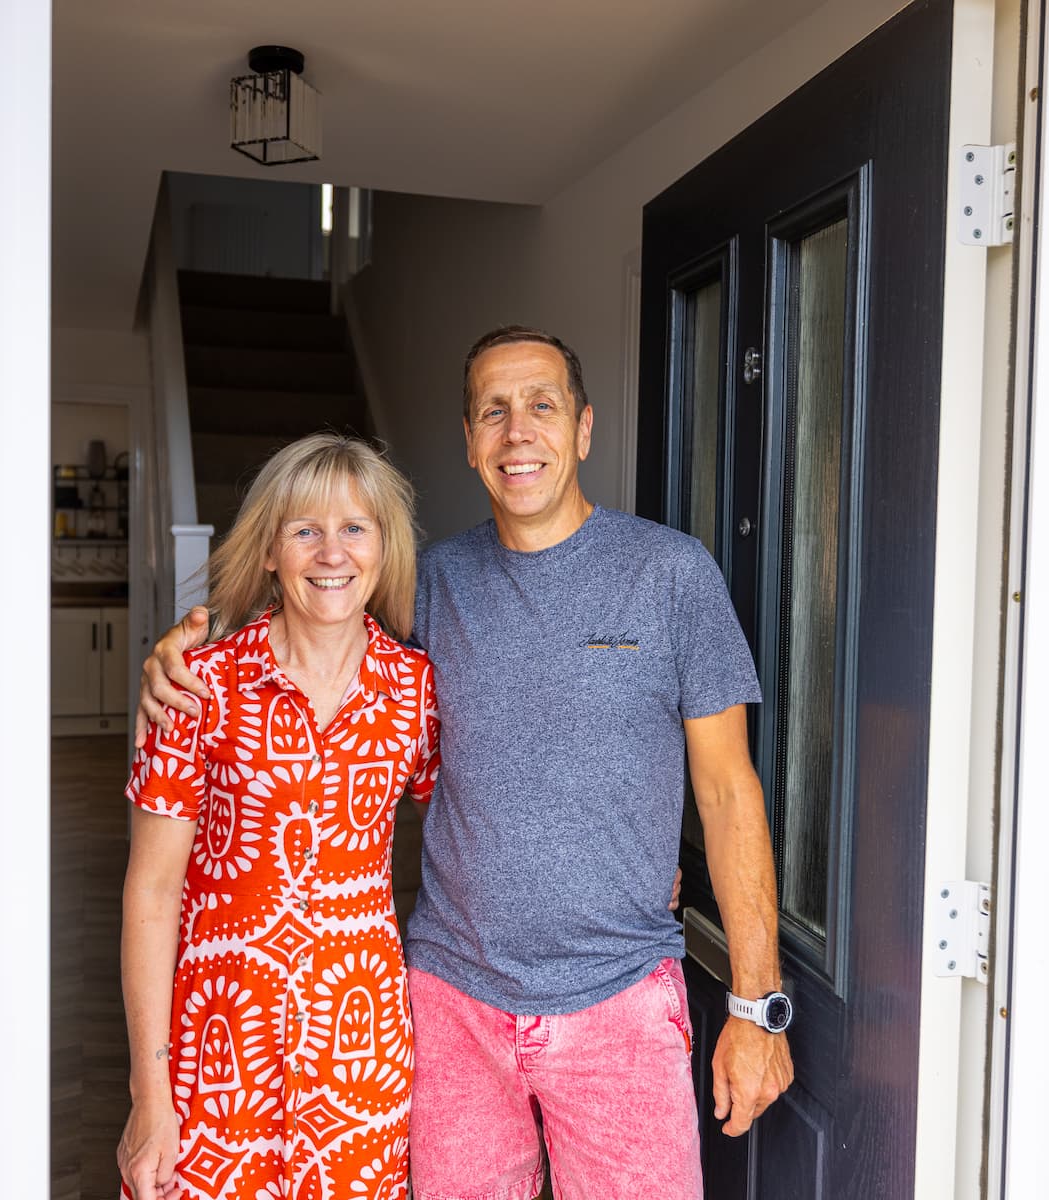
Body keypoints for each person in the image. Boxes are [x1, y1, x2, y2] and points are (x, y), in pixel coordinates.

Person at [139, 327, 793, 1200]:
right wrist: (180, 648)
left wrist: (756, 1005)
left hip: (621, 1004)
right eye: (493, 411)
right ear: (469, 440)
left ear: (585, 429)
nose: (517, 431)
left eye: (541, 406)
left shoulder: (670, 574)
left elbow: (727, 789)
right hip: (450, 1008)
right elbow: (317, 619)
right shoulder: (428, 588)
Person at [116, 434, 438, 1200]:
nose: (333, 552)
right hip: (215, 1061)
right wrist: (148, 1096)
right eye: (306, 530)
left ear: (383, 548)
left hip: (358, 1066)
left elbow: (488, 821)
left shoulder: (417, 692)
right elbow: (152, 895)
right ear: (269, 550)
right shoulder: (199, 688)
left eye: (355, 528)